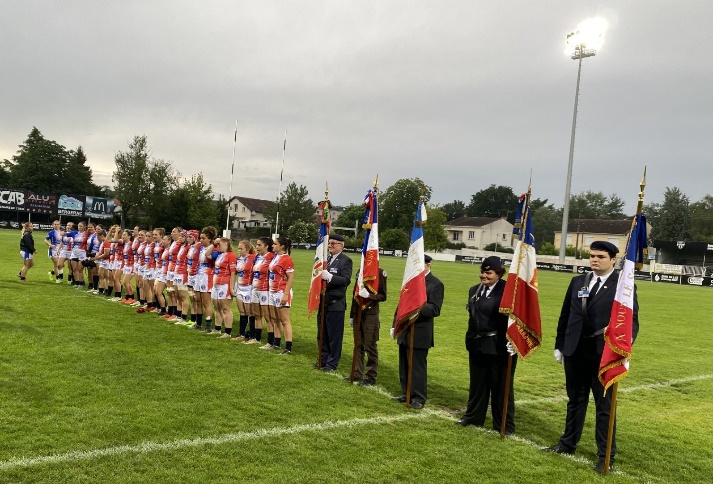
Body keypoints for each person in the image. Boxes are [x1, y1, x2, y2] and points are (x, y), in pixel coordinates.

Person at [544, 241, 639, 474]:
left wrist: (623, 347)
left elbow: (632, 321)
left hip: (604, 355)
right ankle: (567, 443)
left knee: (604, 407)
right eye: (592, 256)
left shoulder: (623, 286)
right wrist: (559, 345)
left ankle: (605, 455)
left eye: (600, 256)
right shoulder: (578, 281)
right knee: (575, 400)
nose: (595, 260)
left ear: (613, 260)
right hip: (575, 351)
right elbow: (565, 315)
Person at [458, 256, 517, 434]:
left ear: (499, 273)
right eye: (482, 272)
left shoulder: (509, 291)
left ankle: (503, 424)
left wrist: (514, 340)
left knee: (501, 386)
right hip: (476, 344)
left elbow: (516, 318)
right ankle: (473, 417)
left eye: (488, 273)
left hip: (498, 346)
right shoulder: (474, 289)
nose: (484, 275)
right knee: (478, 384)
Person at [392, 255, 444, 409]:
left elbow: (435, 309)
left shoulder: (436, 284)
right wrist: (395, 324)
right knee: (404, 364)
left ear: (428, 265)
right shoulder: (410, 281)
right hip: (405, 329)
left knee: (417, 367)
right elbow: (401, 305)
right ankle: (406, 392)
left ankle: (419, 397)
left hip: (420, 332)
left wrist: (419, 305)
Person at [315, 234, 353, 372]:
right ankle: (322, 359)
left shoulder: (345, 261)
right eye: (329, 243)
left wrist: (331, 277)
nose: (330, 246)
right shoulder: (326, 259)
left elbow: (346, 280)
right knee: (322, 334)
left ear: (341, 246)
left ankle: (332, 363)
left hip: (335, 304)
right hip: (323, 303)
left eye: (333, 243)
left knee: (334, 336)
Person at [348, 267, 387, 385]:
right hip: (357, 313)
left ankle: (371, 376)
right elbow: (354, 294)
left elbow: (383, 296)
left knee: (370, 346)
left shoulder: (380, 272)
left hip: (370, 314)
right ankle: (357, 374)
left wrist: (369, 296)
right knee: (358, 345)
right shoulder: (360, 270)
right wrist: (352, 314)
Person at [269, 236, 295, 355]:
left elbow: (290, 278)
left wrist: (285, 294)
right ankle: (276, 343)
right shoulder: (276, 256)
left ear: (282, 246)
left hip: (281, 291)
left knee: (284, 320)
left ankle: (288, 347)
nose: (272, 245)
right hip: (273, 291)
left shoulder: (286, 259)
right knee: (275, 318)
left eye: (275, 244)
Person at [212, 237, 237, 337]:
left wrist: (231, 288)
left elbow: (233, 273)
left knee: (225, 308)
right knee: (216, 307)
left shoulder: (231, 255)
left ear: (226, 244)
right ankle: (217, 328)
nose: (218, 246)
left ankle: (227, 332)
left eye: (220, 244)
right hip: (216, 284)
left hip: (225, 284)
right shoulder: (220, 255)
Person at [232, 239, 256, 341]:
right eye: (238, 249)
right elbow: (234, 273)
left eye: (241, 249)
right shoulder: (238, 259)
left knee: (250, 312)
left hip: (249, 288)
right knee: (242, 312)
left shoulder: (253, 258)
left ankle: (252, 335)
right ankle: (241, 334)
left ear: (247, 249)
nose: (239, 250)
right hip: (240, 287)